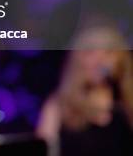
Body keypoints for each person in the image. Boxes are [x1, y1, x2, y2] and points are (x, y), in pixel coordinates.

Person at [36, 26, 133, 156]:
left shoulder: (126, 103)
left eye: (109, 52)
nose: (100, 61)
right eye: (90, 52)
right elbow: (45, 149)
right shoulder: (58, 105)